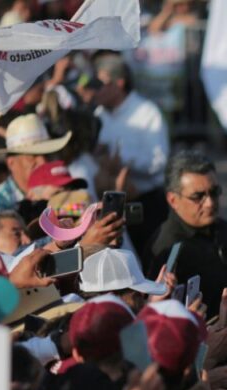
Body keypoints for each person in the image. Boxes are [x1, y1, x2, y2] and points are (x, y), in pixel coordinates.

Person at [147, 152, 227, 320]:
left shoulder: (224, 229)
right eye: (198, 196)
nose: (210, 203)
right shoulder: (166, 248)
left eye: (214, 192)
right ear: (173, 200)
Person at [93, 52, 170, 245]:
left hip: (146, 204)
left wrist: (123, 161)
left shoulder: (147, 112)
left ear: (119, 83)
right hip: (111, 204)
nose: (95, 91)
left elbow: (159, 162)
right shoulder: (100, 114)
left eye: (100, 84)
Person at [0, 114, 71, 219]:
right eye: (31, 157)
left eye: (47, 155)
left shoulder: (60, 188)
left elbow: (80, 209)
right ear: (11, 163)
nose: (43, 162)